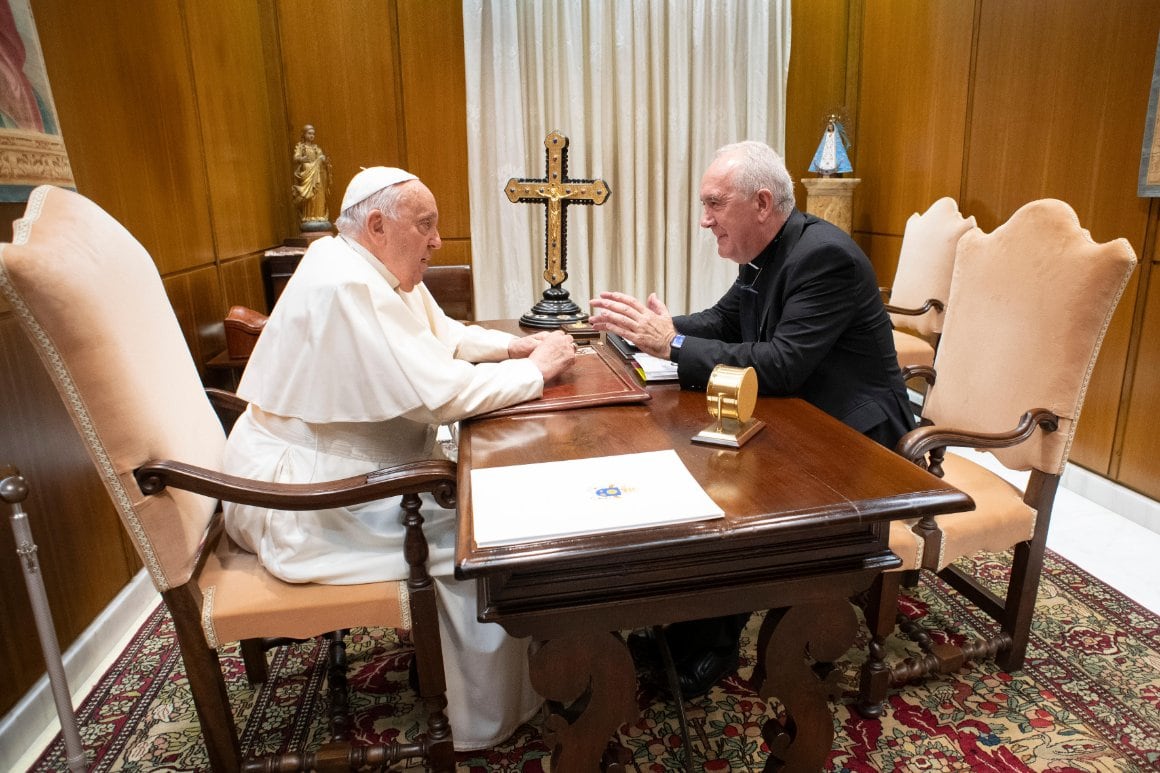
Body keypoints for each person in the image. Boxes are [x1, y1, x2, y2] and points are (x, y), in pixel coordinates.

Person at [223, 166, 577, 751]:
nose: (438, 240)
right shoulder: (348, 285)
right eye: (427, 225)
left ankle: (501, 675)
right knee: (483, 538)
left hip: (339, 474)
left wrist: (514, 346)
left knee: (485, 502)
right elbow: (440, 395)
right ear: (379, 224)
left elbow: (445, 337)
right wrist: (534, 372)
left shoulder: (364, 265)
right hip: (311, 502)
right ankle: (485, 719)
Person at [588, 140, 913, 697]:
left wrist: (671, 345)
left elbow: (783, 365)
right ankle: (687, 625)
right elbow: (723, 320)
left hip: (854, 434)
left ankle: (711, 642)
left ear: (761, 203)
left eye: (714, 204)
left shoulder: (822, 257)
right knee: (698, 466)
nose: (703, 219)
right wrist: (648, 333)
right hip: (796, 411)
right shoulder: (766, 253)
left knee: (732, 493)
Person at [291, 124, 332, 230]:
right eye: (309, 133)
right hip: (308, 174)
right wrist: (301, 159)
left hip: (317, 175)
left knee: (318, 194)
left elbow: (321, 159)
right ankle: (309, 216)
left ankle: (319, 215)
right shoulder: (300, 147)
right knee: (310, 197)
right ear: (304, 134)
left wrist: (323, 160)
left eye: (313, 134)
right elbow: (295, 158)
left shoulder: (316, 148)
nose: (312, 136)